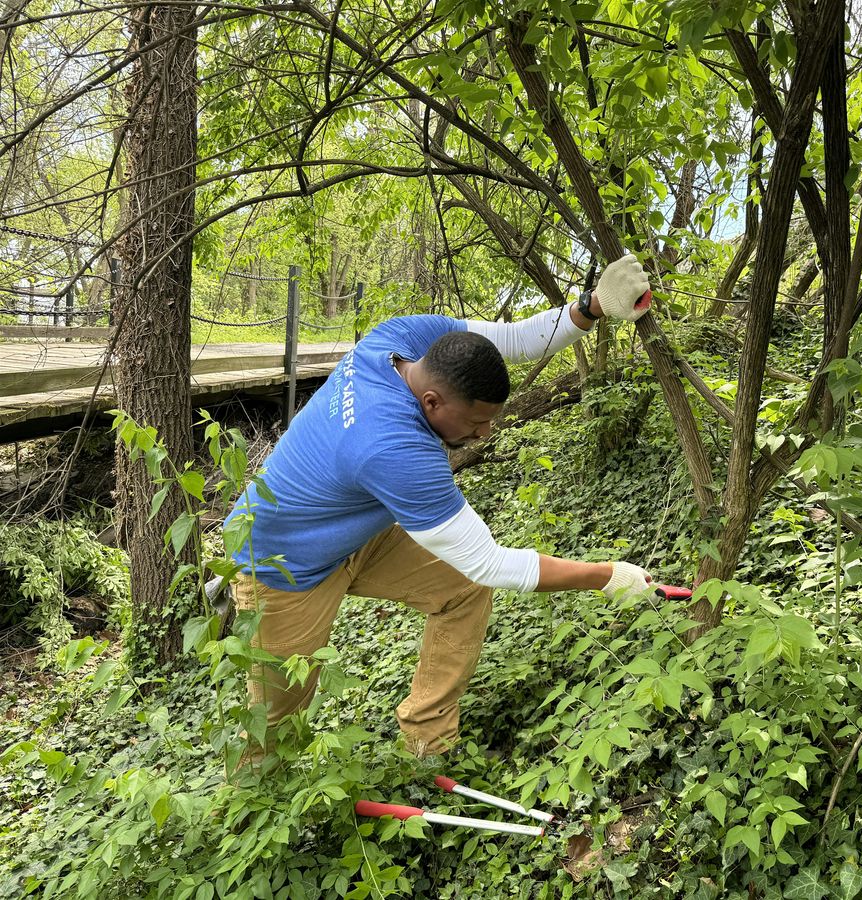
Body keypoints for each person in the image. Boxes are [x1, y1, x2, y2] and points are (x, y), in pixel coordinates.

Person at [223, 254, 658, 760]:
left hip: (355, 526)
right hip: (281, 563)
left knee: (461, 587)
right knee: (276, 724)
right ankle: (252, 807)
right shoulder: (397, 450)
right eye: (476, 422)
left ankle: (427, 745)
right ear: (432, 403)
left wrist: (593, 305)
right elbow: (492, 563)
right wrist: (607, 576)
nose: (485, 433)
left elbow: (513, 340)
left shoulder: (403, 340)